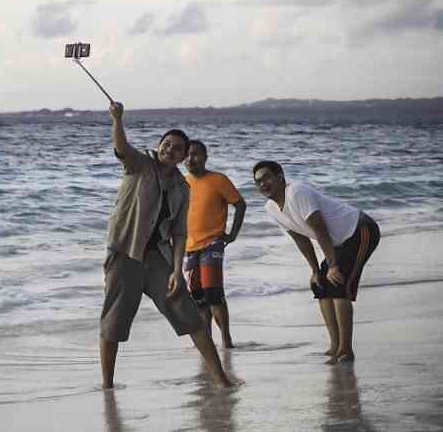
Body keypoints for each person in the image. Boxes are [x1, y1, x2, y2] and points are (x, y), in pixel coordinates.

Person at [99, 102, 232, 389]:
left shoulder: (183, 188)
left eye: (177, 149)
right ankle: (107, 386)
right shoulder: (139, 164)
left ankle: (221, 379)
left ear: (184, 157)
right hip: (125, 254)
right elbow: (121, 147)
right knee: (114, 322)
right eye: (167, 144)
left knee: (191, 317)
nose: (169, 150)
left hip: (159, 258)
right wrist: (117, 119)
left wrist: (176, 271)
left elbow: (180, 233)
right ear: (159, 144)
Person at [252, 160, 380, 364]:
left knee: (338, 284)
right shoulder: (271, 208)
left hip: (360, 230)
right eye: (257, 181)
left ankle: (346, 350)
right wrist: (315, 270)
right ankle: (335, 345)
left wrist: (334, 266)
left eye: (267, 177)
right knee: (320, 286)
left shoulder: (297, 192)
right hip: (336, 241)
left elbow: (319, 228)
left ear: (280, 176)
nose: (262, 184)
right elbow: (300, 238)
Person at [183, 140, 246, 348]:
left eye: (196, 154)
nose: (191, 159)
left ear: (205, 157)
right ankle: (207, 341)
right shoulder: (182, 182)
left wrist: (233, 234)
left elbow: (240, 204)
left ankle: (226, 340)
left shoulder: (218, 180)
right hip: (189, 247)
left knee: (213, 293)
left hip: (213, 242)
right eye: (187, 155)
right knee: (197, 297)